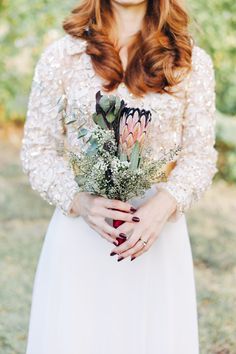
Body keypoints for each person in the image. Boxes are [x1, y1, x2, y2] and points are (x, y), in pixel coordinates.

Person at [20, 0, 218, 353]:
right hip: (81, 239)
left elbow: (199, 156)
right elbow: (37, 151)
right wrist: (80, 202)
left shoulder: (190, 62)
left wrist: (163, 206)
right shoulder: (62, 59)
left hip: (157, 242)